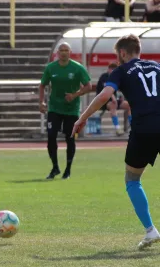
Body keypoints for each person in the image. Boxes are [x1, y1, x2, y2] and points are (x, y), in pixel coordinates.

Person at [72, 34, 160, 250]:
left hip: (143, 128)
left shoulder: (121, 71)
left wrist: (82, 118)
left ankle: (151, 231)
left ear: (122, 53)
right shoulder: (156, 66)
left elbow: (104, 96)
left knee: (132, 179)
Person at [39, 42, 92, 180]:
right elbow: (42, 85)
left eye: (66, 50)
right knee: (51, 136)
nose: (63, 52)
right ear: (57, 52)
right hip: (54, 108)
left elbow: (88, 86)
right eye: (61, 50)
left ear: (70, 52)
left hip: (71, 109)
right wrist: (41, 102)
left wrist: (74, 95)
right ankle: (55, 167)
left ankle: (67, 169)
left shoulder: (77, 68)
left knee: (70, 139)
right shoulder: (51, 68)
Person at [97, 62, 131, 135]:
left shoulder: (116, 77)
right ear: (109, 69)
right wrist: (114, 99)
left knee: (129, 105)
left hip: (115, 100)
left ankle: (133, 125)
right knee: (113, 105)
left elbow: (119, 89)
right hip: (104, 101)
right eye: (113, 70)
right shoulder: (104, 76)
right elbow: (107, 90)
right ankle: (117, 128)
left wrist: (121, 98)